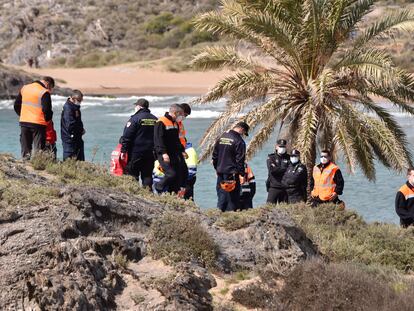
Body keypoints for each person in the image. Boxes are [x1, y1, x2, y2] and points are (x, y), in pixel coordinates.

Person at [14, 76, 54, 159]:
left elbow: (16, 105)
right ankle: (37, 165)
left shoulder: (25, 88)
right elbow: (47, 110)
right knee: (39, 149)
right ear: (47, 84)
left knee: (25, 147)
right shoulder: (44, 92)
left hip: (24, 121)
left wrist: (22, 115)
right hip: (38, 123)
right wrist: (47, 120)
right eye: (50, 87)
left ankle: (25, 163)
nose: (50, 90)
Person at [120, 98, 157, 189]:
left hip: (135, 152)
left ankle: (134, 195)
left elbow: (127, 136)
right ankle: (148, 195)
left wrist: (123, 150)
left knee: (132, 175)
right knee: (147, 176)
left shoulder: (134, 119)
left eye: (136, 106)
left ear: (139, 107)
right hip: (150, 153)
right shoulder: (155, 119)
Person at [212, 122, 249, 212]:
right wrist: (242, 174)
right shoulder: (239, 141)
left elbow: (214, 155)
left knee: (221, 194)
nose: (243, 135)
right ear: (241, 129)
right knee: (231, 197)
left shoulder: (222, 136)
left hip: (220, 171)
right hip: (232, 173)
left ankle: (218, 214)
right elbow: (240, 160)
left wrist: (217, 168)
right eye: (244, 133)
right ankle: (229, 217)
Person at [153, 104, 188, 195]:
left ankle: (172, 195)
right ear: (175, 113)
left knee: (179, 176)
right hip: (164, 154)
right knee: (171, 174)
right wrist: (163, 153)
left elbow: (176, 139)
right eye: (181, 115)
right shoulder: (161, 122)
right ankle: (158, 186)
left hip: (175, 153)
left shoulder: (175, 123)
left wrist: (182, 150)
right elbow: (158, 140)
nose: (182, 117)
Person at [61, 90, 85, 161]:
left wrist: (81, 129)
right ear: (73, 99)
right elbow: (70, 125)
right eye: (79, 100)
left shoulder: (74, 107)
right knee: (69, 160)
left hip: (76, 137)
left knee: (79, 159)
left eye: (81, 100)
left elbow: (77, 121)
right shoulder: (68, 108)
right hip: (69, 138)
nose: (80, 102)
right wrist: (80, 130)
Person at [266, 139, 290, 204]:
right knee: (269, 208)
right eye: (280, 146)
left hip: (285, 187)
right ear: (276, 147)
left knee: (284, 209)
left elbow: (290, 172)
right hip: (274, 187)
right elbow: (273, 171)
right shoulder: (271, 157)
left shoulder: (289, 158)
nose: (282, 148)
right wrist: (285, 169)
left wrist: (278, 169)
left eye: (284, 146)